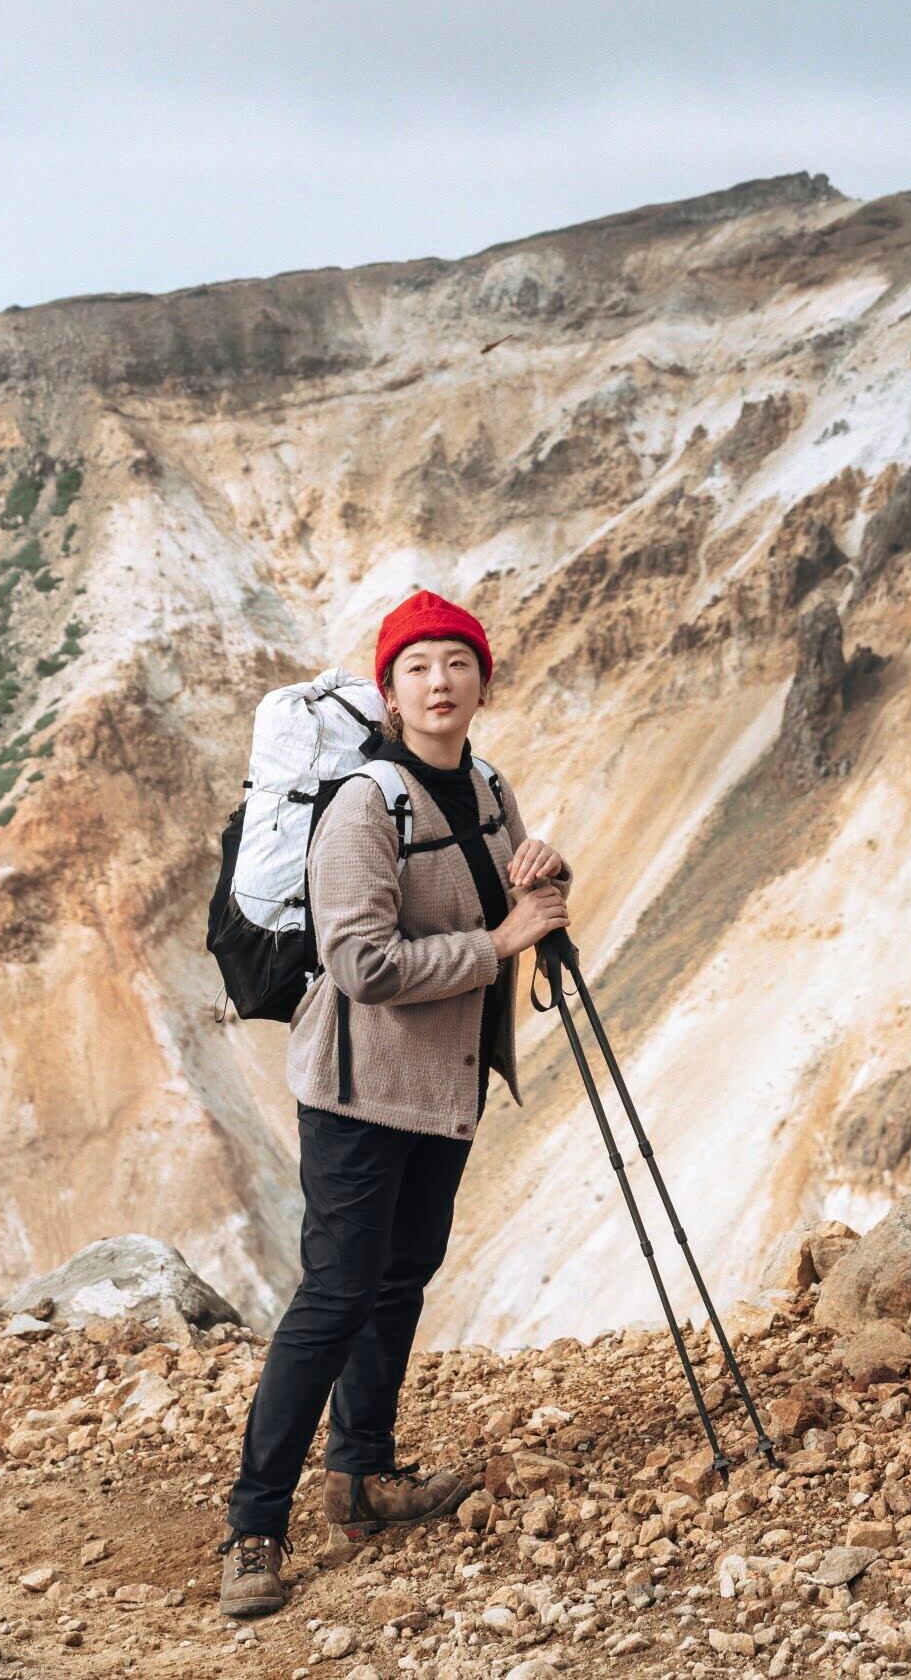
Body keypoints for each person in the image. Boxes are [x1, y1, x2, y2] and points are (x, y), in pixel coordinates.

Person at [217, 588, 571, 1621]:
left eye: (457, 662)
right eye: (417, 667)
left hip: (443, 1086)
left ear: (483, 682)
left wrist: (543, 877)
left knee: (401, 1277)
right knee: (335, 1297)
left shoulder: (488, 788)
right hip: (358, 1091)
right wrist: (497, 946)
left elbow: (507, 902)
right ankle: (254, 1526)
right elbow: (361, 964)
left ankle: (363, 1473)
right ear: (389, 693)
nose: (439, 681)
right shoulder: (366, 806)